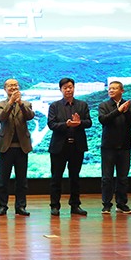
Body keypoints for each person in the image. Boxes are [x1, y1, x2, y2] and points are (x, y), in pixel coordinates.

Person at [47, 77, 92, 216]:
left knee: (75, 177)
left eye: (70, 87)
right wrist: (66, 124)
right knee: (56, 178)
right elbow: (51, 124)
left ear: (74, 88)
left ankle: (75, 205)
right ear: (61, 89)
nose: (68, 90)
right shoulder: (54, 106)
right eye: (65, 87)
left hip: (77, 146)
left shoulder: (82, 105)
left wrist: (80, 123)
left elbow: (89, 122)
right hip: (59, 147)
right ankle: (55, 206)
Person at [0, 78, 35, 217]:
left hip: (22, 147)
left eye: (15, 85)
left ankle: (21, 206)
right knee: (3, 180)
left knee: (22, 180)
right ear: (5, 89)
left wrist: (20, 104)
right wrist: (11, 102)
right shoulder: (0, 104)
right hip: (6, 147)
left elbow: (30, 116)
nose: (13, 88)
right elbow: (2, 117)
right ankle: (2, 206)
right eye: (10, 86)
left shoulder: (27, 104)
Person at [98, 81, 131, 215]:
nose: (111, 90)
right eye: (110, 88)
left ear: (122, 91)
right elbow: (103, 120)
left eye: (114, 88)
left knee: (123, 178)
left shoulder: (129, 105)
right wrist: (118, 111)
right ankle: (106, 205)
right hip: (108, 146)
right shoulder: (104, 105)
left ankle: (121, 204)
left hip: (124, 146)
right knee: (107, 178)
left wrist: (126, 112)